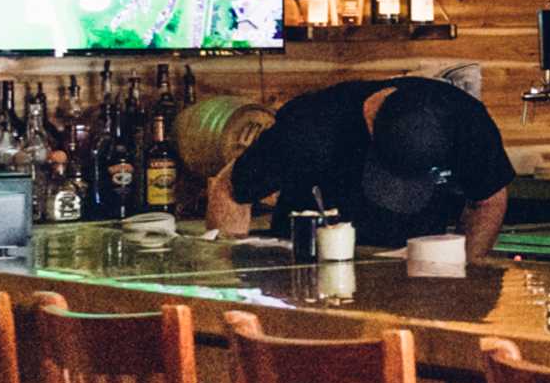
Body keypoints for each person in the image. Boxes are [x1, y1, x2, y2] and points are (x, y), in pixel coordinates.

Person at [208, 71, 516, 259]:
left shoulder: (468, 123)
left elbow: (487, 201)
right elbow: (230, 189)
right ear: (370, 121)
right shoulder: (311, 127)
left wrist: (464, 270)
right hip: (308, 269)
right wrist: (230, 282)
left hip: (415, 269)